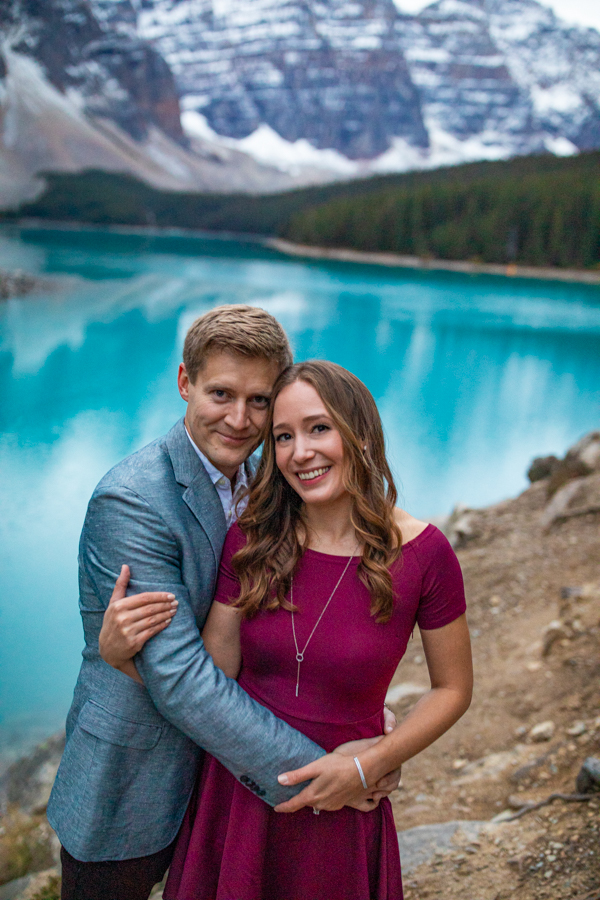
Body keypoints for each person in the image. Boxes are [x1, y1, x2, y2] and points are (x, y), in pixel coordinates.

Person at [47, 307, 398, 900]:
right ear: (185, 382)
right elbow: (180, 677)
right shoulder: (132, 501)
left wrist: (351, 706)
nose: (239, 419)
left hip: (230, 788)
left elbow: (308, 611)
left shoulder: (276, 479)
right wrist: (325, 772)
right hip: (136, 778)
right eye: (220, 393)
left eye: (260, 401)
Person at [103, 360, 473, 900]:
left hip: (345, 801)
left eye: (319, 428)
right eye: (283, 437)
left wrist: (372, 765)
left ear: (361, 433)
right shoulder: (251, 542)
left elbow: (453, 689)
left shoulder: (425, 555)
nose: (301, 453)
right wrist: (122, 658)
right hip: (236, 796)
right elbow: (210, 677)